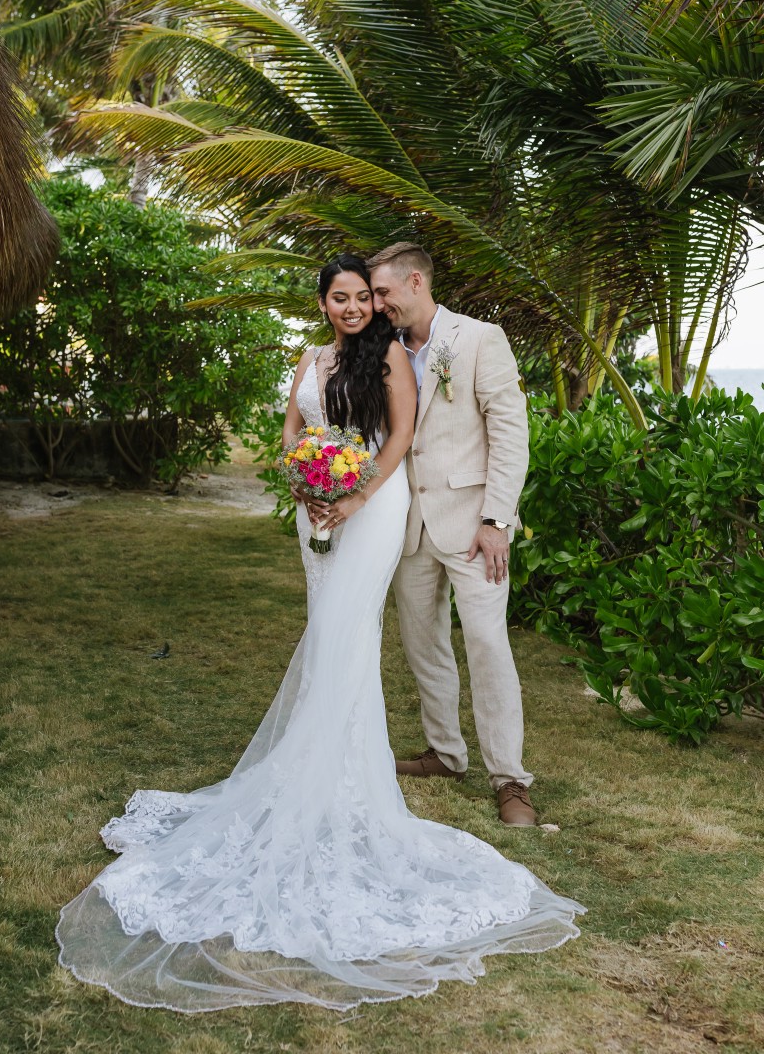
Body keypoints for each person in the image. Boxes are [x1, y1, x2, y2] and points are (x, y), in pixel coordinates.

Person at [56, 254, 583, 1013]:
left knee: (467, 643)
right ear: (328, 302)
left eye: (369, 292)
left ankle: (506, 779)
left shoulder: (440, 346)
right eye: (345, 295)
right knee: (399, 640)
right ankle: (433, 752)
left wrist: (466, 511)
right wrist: (308, 477)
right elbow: (296, 426)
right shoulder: (334, 353)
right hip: (343, 514)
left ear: (401, 288)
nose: (361, 303)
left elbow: (459, 433)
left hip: (426, 513)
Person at [367, 242, 535, 826]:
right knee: (423, 644)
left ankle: (510, 779)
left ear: (416, 282)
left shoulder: (479, 339)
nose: (376, 303)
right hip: (407, 526)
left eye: (383, 292)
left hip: (472, 526)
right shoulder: (380, 349)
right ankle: (445, 752)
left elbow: (510, 433)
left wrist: (496, 521)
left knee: (488, 646)